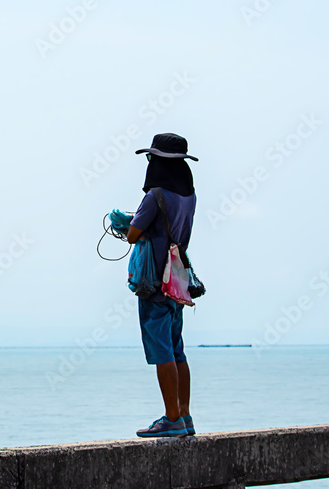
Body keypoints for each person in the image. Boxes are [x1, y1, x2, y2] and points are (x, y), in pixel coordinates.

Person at [126, 133, 198, 438]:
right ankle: (184, 415)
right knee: (177, 349)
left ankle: (170, 419)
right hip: (176, 280)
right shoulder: (188, 197)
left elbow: (132, 234)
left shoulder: (155, 196)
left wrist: (125, 223)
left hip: (154, 283)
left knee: (162, 351)